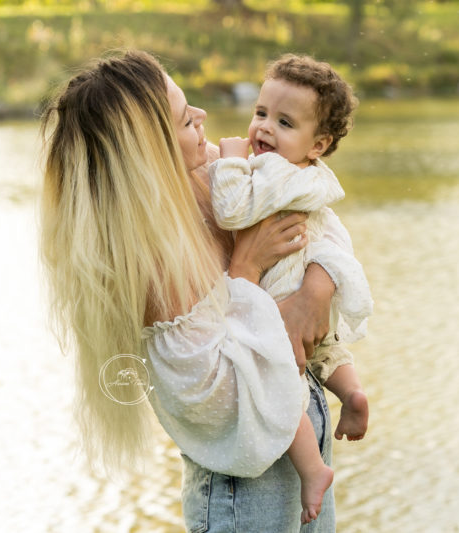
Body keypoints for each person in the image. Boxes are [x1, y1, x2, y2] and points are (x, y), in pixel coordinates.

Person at [39, 50, 352, 532]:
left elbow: (313, 207)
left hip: (302, 432)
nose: (204, 119)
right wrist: (246, 266)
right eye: (187, 119)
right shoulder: (147, 259)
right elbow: (219, 398)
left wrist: (316, 289)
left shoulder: (207, 171)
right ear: (150, 151)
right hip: (246, 483)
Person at [209, 54, 373, 523]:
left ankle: (311, 468)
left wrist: (233, 162)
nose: (263, 128)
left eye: (284, 122)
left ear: (318, 143)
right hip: (309, 297)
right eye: (261, 113)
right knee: (328, 352)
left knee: (282, 384)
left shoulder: (272, 173)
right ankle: (353, 392)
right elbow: (338, 240)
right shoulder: (313, 178)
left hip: (279, 299)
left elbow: (231, 211)